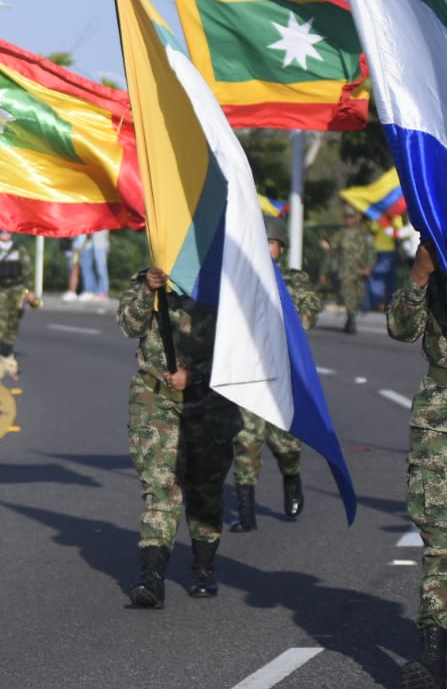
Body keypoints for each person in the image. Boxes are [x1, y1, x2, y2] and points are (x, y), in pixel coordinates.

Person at [117, 266, 243, 609]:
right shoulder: (146, 280)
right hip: (154, 399)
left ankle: (204, 566)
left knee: (205, 487)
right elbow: (129, 325)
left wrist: (197, 376)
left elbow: (244, 347)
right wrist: (148, 289)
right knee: (161, 487)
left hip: (208, 401)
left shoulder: (225, 281)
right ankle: (152, 576)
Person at [387, 240, 447, 689]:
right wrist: (420, 273)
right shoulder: (438, 256)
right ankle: (433, 671)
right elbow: (401, 328)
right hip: (441, 417)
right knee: (444, 545)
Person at [230, 216, 323, 532]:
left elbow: (307, 318)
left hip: (281, 376)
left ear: (280, 248)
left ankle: (292, 478)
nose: (264, 247)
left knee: (285, 445)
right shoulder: (239, 278)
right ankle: (245, 513)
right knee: (245, 440)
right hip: (248, 374)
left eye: (270, 242)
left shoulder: (295, 281)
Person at [321, 206, 374, 334]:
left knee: (358, 296)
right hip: (345, 271)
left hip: (360, 271)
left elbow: (371, 252)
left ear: (357, 218)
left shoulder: (365, 234)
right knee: (349, 295)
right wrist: (325, 272)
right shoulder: (341, 235)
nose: (349, 220)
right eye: (347, 217)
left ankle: (351, 316)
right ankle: (351, 320)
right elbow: (331, 254)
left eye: (351, 217)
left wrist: (369, 266)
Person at [0, 229, 38, 357]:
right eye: (1, 232)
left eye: (7, 232)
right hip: (0, 289)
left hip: (17, 289)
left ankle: (8, 348)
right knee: (1, 321)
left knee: (14, 320)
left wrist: (31, 290)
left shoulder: (19, 249)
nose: (5, 234)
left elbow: (28, 270)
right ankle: (1, 350)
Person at [77, 229, 111, 300]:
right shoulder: (96, 224)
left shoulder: (103, 222)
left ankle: (104, 293)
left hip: (101, 247)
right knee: (98, 270)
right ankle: (100, 292)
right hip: (97, 247)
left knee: (102, 271)